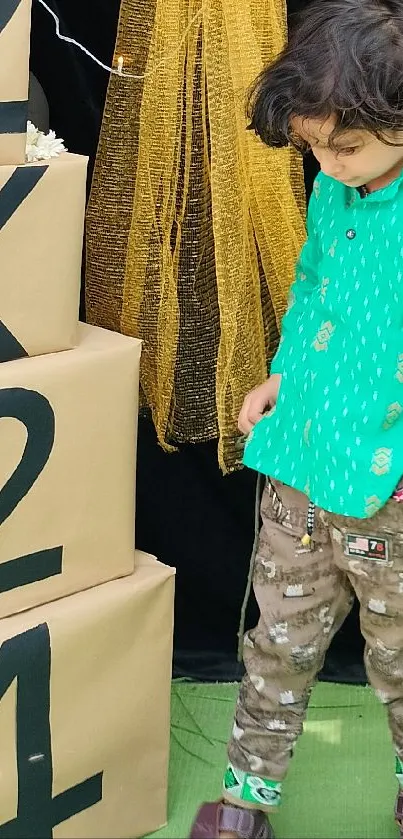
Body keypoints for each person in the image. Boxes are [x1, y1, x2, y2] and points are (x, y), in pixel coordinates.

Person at [189, 1, 403, 837]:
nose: (326, 162)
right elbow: (312, 281)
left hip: (387, 485)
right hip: (302, 464)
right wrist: (280, 374)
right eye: (312, 146)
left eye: (342, 145)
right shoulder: (331, 190)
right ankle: (247, 797)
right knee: (274, 641)